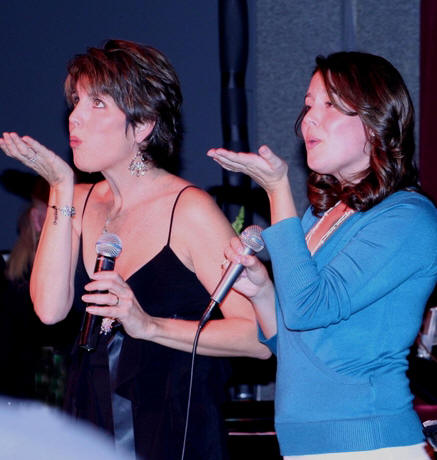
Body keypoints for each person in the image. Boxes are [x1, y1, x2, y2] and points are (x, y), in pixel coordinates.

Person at [0, 39, 270, 460]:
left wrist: (149, 325)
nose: (75, 117)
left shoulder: (189, 209)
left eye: (98, 104)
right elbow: (50, 310)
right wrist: (60, 186)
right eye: (76, 102)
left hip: (172, 422)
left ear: (143, 126)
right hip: (90, 414)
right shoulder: (76, 199)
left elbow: (260, 337)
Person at [208, 51, 437, 459]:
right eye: (309, 104)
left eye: (329, 104)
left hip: (372, 444)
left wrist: (277, 189)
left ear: (375, 120)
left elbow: (308, 308)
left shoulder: (409, 217)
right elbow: (297, 345)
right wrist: (261, 291)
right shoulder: (322, 215)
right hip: (304, 446)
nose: (309, 118)